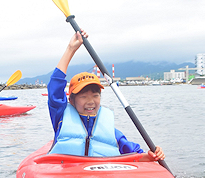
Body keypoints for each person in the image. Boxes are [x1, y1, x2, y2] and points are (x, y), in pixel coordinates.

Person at [47, 30, 165, 161]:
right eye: (83, 96)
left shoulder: (109, 130)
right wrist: (71, 49)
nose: (90, 101)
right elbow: (55, 87)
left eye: (95, 95)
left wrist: (151, 156)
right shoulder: (61, 117)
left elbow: (136, 155)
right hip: (66, 174)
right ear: (72, 100)